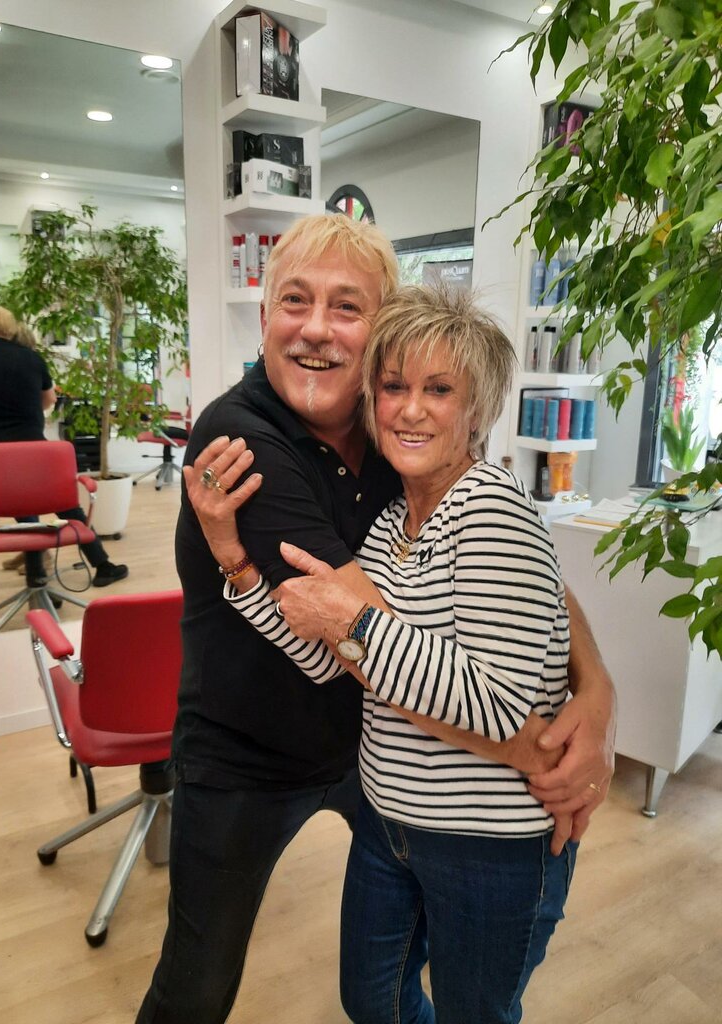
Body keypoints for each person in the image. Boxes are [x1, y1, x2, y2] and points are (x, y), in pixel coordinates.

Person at [137, 215, 615, 1024]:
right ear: (265, 315)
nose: (317, 329)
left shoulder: (400, 443)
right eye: (296, 300)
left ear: (380, 331)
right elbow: (348, 638)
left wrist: (596, 692)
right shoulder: (242, 438)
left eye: (347, 307)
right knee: (200, 981)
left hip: (384, 762)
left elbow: (508, 582)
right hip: (253, 754)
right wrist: (545, 759)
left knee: (427, 991)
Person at [0, 305, 128, 587]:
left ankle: (36, 572)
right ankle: (102, 565)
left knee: (23, 507)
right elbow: (49, 399)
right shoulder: (32, 358)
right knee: (67, 505)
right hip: (34, 451)